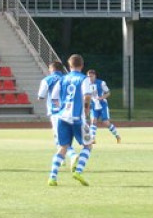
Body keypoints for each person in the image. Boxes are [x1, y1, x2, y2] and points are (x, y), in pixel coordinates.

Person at [47, 54, 93, 186]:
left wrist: (59, 108)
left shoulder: (63, 79)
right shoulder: (84, 79)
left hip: (62, 117)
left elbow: (54, 97)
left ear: (69, 66)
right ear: (82, 65)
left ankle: (52, 177)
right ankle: (78, 171)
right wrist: (86, 110)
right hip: (77, 119)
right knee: (88, 145)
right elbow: (87, 96)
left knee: (62, 147)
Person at [84, 69, 121, 143]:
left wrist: (101, 97)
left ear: (95, 76)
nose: (89, 78)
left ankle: (117, 136)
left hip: (102, 105)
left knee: (106, 122)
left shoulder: (101, 83)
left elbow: (108, 93)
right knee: (93, 121)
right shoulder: (86, 84)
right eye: (88, 76)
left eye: (91, 76)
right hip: (94, 106)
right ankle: (93, 139)